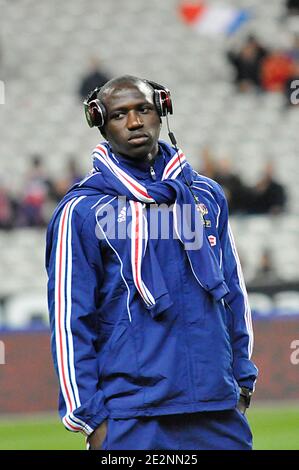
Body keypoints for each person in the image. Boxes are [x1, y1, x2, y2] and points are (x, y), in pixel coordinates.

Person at [46, 75, 258, 450]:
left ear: (162, 110)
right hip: (133, 416)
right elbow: (69, 320)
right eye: (119, 114)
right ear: (100, 122)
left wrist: (241, 381)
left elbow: (233, 295)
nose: (134, 122)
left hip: (216, 409)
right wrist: (90, 419)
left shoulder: (205, 195)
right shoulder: (80, 211)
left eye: (143, 109)